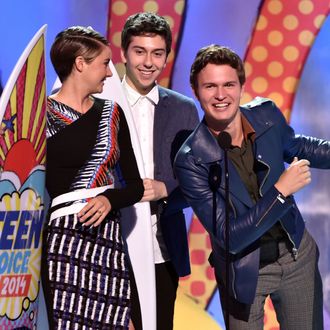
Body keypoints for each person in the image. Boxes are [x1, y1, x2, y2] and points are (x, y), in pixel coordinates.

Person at [174, 44, 330, 330]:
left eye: (228, 84)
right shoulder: (191, 159)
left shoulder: (266, 114)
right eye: (210, 86)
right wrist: (281, 193)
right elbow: (229, 235)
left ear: (241, 87)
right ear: (196, 92)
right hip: (243, 272)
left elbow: (297, 146)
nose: (221, 95)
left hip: (296, 257)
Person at [42, 26, 144, 329]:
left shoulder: (111, 113)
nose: (110, 74)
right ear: (80, 64)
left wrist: (109, 199)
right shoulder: (39, 117)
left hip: (108, 243)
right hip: (63, 244)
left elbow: (136, 187)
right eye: (104, 64)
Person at [120, 12, 199, 330]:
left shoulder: (183, 109)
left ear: (167, 56)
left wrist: (168, 190)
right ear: (124, 52)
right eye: (140, 51)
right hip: (106, 247)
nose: (148, 62)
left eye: (157, 53)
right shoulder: (100, 103)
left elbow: (201, 180)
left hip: (161, 249)